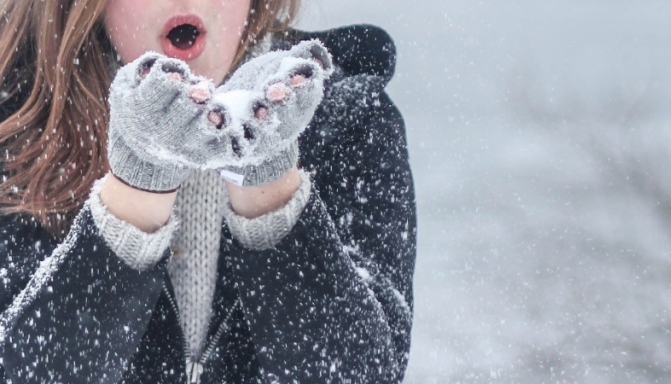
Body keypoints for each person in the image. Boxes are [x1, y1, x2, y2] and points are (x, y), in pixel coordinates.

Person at [0, 0, 416, 382]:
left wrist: (269, 184)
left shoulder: (350, 122)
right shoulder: (16, 129)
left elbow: (364, 373)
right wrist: (135, 192)